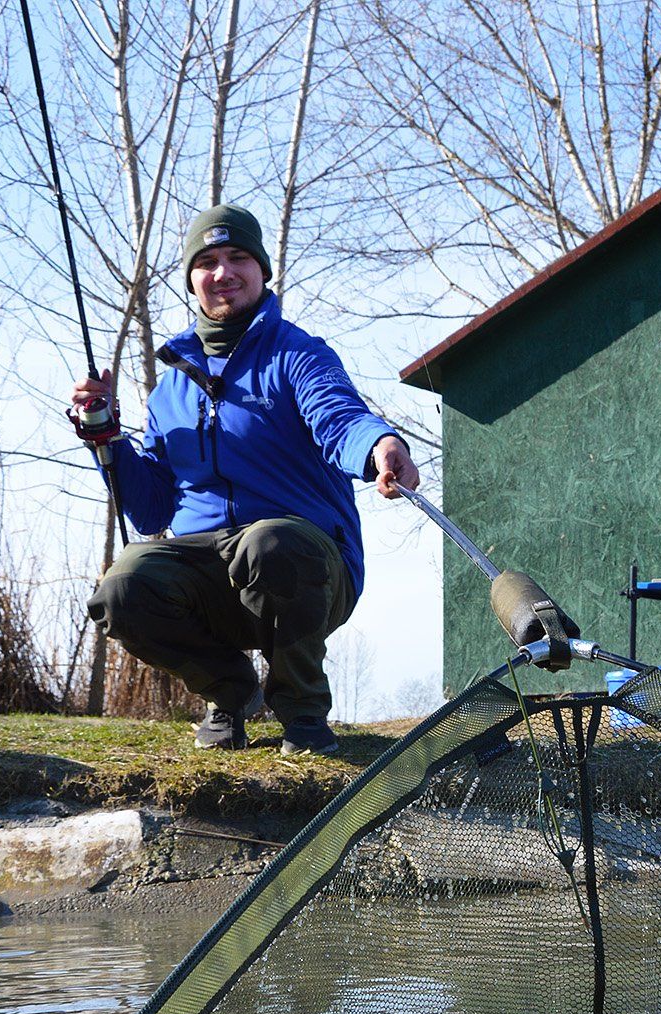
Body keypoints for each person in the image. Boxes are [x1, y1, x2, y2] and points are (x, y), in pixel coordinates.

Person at [71, 203, 419, 755]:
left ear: (262, 271)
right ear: (191, 279)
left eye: (238, 257)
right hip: (209, 574)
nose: (223, 272)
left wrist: (379, 445)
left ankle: (303, 713)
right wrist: (107, 440)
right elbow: (152, 510)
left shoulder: (299, 355)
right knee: (122, 588)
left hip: (307, 570)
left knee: (269, 542)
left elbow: (340, 418)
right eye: (207, 261)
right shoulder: (170, 390)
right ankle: (229, 692)